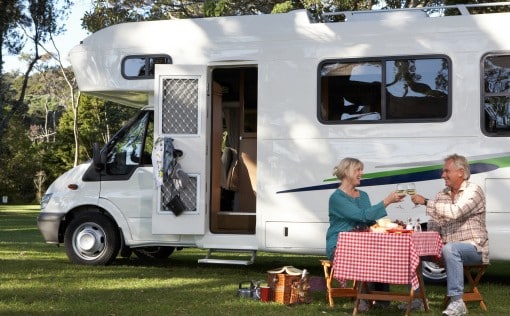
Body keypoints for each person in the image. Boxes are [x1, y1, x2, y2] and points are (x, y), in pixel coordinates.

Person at [411, 154, 489, 316]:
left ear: (461, 172)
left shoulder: (474, 191)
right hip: (447, 248)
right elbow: (434, 226)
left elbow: (456, 212)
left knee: (450, 249)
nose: (442, 175)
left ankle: (457, 302)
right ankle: (416, 300)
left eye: (446, 171)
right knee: (410, 250)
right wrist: (428, 244)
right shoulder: (441, 195)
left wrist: (425, 201)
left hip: (475, 248)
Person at [326, 157, 404, 312]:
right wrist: (386, 201)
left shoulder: (364, 196)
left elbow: (369, 221)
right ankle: (362, 300)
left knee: (387, 252)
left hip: (364, 243)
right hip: (340, 245)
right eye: (358, 170)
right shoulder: (337, 198)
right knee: (365, 254)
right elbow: (361, 215)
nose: (361, 173)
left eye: (361, 170)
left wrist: (390, 225)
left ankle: (383, 299)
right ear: (347, 172)